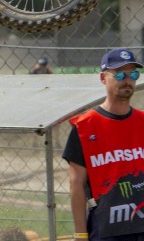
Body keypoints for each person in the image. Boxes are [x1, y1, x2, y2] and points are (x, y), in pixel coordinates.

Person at [62, 48, 144, 240]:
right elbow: (76, 185)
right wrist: (81, 234)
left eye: (133, 74)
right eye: (120, 74)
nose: (127, 80)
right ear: (103, 78)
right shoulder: (84, 127)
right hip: (106, 229)